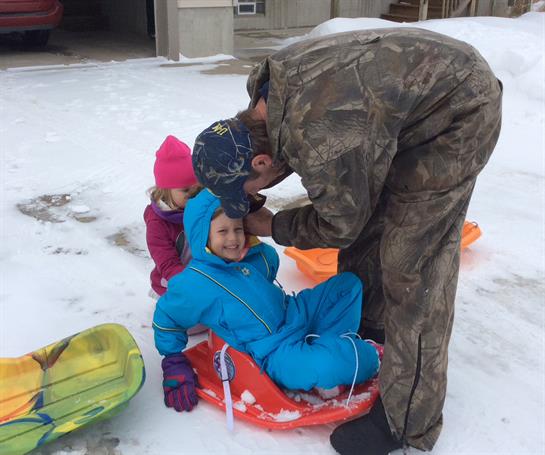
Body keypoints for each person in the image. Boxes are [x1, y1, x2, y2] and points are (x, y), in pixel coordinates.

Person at [191, 28, 502, 454]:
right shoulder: (265, 100)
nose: (249, 201)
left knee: (414, 265)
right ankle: (374, 324)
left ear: (261, 161)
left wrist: (274, 226)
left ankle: (406, 421)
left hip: (459, 111)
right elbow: (353, 200)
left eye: (247, 190)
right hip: (410, 101)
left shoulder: (319, 136)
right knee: (370, 217)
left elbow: (339, 224)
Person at [152, 189, 380, 412]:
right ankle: (341, 358)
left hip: (294, 312)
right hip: (274, 350)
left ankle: (326, 345)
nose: (233, 238)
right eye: (223, 231)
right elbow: (167, 316)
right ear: (202, 236)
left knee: (347, 286)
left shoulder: (246, 260)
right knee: (331, 365)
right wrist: (173, 360)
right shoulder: (195, 282)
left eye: (238, 229)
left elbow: (270, 260)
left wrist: (251, 243)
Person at [144, 135, 200, 298]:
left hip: (203, 276)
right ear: (165, 191)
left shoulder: (198, 207)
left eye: (197, 188)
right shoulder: (157, 224)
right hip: (173, 283)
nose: (193, 194)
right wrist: (190, 284)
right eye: (185, 190)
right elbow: (167, 263)